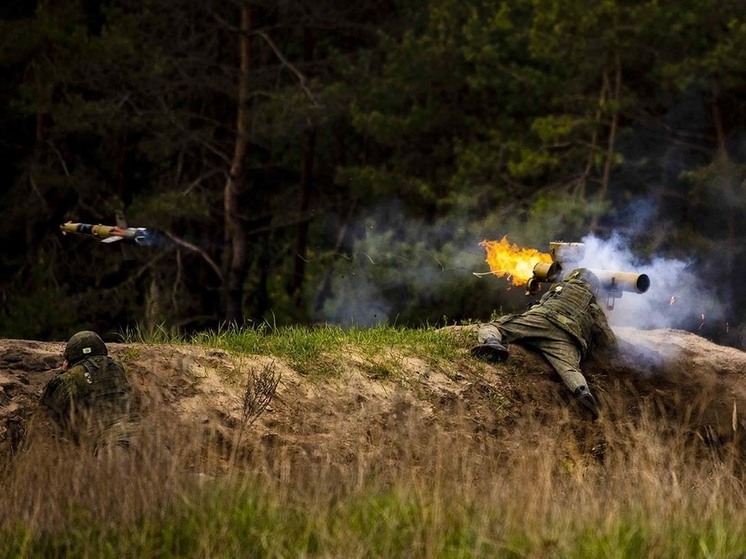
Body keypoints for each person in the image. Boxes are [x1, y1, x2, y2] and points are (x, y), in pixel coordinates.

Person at [470, 268, 617, 419]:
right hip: (567, 337)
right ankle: (582, 391)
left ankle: (493, 343)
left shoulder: (559, 288)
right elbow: (608, 341)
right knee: (569, 369)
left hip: (539, 321)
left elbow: (539, 305)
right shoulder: (593, 306)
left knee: (495, 326)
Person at [40, 330, 134, 452]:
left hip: (111, 441)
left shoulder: (72, 376)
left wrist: (63, 372)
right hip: (142, 431)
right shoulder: (116, 366)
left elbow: (47, 400)